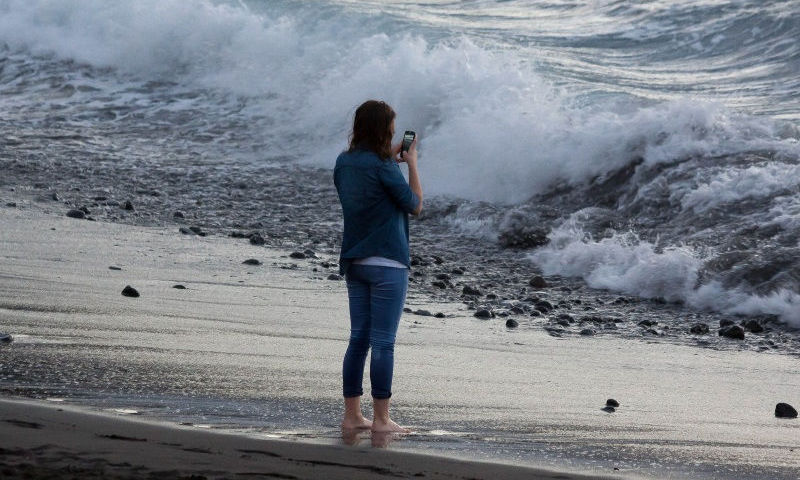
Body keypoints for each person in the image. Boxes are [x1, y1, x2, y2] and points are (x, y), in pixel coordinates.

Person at [333, 100, 423, 434]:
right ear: (383, 129)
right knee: (383, 342)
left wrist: (389, 159)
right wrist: (409, 163)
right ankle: (382, 420)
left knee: (359, 339)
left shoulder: (344, 162)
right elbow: (414, 204)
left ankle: (352, 415)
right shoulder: (385, 166)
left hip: (355, 260)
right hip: (387, 262)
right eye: (391, 127)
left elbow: (366, 194)